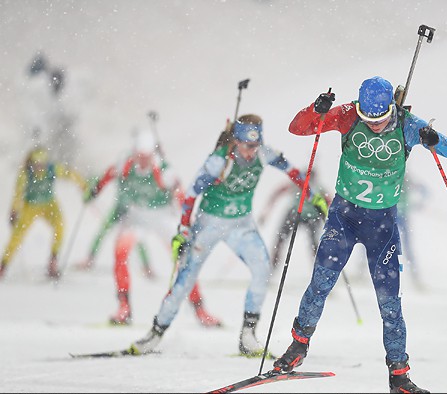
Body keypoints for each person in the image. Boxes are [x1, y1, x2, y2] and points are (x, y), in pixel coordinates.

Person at [271, 76, 447, 394]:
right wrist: (315, 110)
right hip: (343, 219)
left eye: (381, 118)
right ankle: (297, 348)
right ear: (360, 107)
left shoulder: (406, 124)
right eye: (368, 118)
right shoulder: (348, 114)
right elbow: (298, 128)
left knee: (390, 303)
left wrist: (432, 138)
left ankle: (399, 376)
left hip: (382, 229)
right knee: (320, 285)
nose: (374, 124)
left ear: (391, 107)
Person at [129, 114, 327, 357]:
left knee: (262, 269)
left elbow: (293, 171)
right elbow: (190, 195)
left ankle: (248, 335)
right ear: (235, 140)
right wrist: (183, 230)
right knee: (185, 279)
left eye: (254, 146)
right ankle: (155, 333)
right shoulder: (218, 161)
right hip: (209, 225)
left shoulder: (264, 153)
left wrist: (313, 195)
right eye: (245, 146)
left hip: (241, 225)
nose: (250, 152)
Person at [85, 132, 219, 327]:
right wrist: (95, 190)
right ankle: (124, 307)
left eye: (146, 157)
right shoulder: (126, 164)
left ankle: (200, 309)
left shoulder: (163, 170)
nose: (143, 161)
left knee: (183, 258)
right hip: (136, 215)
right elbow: (108, 175)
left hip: (161, 216)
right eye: (140, 156)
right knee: (121, 253)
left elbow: (181, 194)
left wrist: (187, 221)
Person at [0, 147, 86, 279]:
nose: (40, 167)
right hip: (30, 206)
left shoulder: (52, 168)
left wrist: (83, 185)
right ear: (31, 163)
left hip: (49, 204)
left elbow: (69, 174)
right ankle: (3, 265)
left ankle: (53, 262)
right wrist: (14, 210)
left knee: (59, 227)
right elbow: (18, 194)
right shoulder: (25, 174)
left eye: (43, 164)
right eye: (37, 164)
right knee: (17, 235)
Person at [257, 169, 329, 270]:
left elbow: (329, 200)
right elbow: (278, 193)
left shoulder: (318, 187)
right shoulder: (300, 184)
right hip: (296, 214)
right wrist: (266, 212)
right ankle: (271, 268)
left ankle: (319, 269)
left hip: (310, 216)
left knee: (313, 244)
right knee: (281, 239)